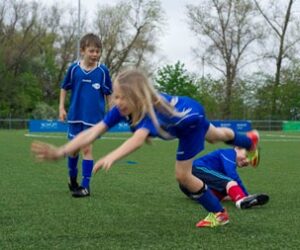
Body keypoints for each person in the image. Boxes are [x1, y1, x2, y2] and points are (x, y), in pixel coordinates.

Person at [32, 68, 259, 228]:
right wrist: (61, 151)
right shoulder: (124, 108)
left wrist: (112, 156)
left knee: (183, 175)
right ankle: (249, 141)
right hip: (189, 110)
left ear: (137, 98)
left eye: (122, 97)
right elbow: (93, 131)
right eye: (116, 96)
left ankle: (219, 214)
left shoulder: (151, 111)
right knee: (216, 136)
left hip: (189, 124)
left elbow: (138, 139)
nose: (116, 101)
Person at [59, 33, 112, 198]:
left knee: (87, 149)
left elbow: (108, 92)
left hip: (93, 118)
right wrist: (61, 107)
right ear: (83, 50)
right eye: (92, 51)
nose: (95, 54)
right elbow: (64, 87)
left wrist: (111, 112)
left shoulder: (103, 71)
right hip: (75, 115)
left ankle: (86, 186)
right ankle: (72, 178)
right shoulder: (74, 69)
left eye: (98, 51)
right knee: (73, 151)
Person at [179, 147, 269, 210]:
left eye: (249, 162)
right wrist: (245, 194)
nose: (247, 161)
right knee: (231, 182)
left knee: (227, 192)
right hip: (194, 170)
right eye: (246, 155)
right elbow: (232, 174)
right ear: (237, 148)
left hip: (190, 188)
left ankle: (203, 197)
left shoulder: (226, 161)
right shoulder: (229, 153)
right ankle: (241, 200)